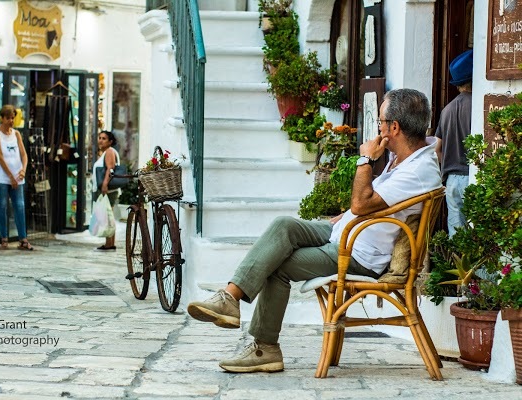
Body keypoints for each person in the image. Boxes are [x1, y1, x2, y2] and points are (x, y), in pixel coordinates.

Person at [187, 88, 442, 373]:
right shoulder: (413, 155)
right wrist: (345, 216)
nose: (378, 128)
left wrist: (365, 159)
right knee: (284, 226)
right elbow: (431, 148)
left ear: (394, 128)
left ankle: (264, 347)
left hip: (357, 253)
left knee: (276, 264)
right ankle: (229, 299)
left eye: (380, 122)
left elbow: (361, 204)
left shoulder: (416, 171)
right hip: (344, 233)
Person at [434, 49, 473, 237]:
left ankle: (458, 267)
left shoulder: (447, 110)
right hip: (472, 177)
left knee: (457, 237)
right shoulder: (480, 106)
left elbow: (437, 149)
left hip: (451, 180)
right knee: (477, 237)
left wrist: (450, 161)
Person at [0, 105, 33, 250]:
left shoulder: (16, 134)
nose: (11, 121)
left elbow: (24, 154)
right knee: (2, 205)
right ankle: (4, 237)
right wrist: (10, 176)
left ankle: (23, 238)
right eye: (8, 118)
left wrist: (23, 171)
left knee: (19, 205)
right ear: (2, 118)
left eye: (13, 118)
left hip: (17, 176)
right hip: (1, 176)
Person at [92, 130, 120, 251]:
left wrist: (104, 184)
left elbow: (110, 168)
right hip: (107, 189)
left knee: (108, 215)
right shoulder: (106, 152)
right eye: (100, 138)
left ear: (110, 141)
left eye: (104, 138)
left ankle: (109, 244)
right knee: (108, 216)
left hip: (107, 190)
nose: (101, 140)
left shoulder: (109, 151)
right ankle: (109, 243)